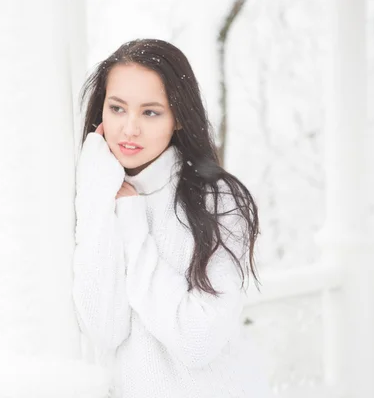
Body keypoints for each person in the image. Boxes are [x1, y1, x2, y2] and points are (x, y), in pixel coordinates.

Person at [72, 38, 271, 398]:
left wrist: (134, 229)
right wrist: (96, 196)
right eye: (117, 108)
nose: (129, 129)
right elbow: (104, 330)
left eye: (150, 112)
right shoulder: (99, 191)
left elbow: (198, 340)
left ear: (178, 117)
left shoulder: (217, 201)